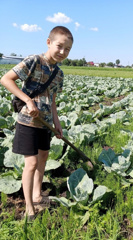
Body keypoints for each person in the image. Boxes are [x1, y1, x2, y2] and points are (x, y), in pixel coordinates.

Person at [0, 26, 73, 219]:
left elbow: (53, 102)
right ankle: (30, 208)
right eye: (59, 46)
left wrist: (57, 124)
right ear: (48, 42)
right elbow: (6, 79)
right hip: (27, 122)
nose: (62, 52)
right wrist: (28, 100)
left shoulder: (59, 74)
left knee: (43, 159)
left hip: (46, 123)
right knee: (31, 163)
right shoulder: (34, 61)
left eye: (67, 49)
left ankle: (37, 194)